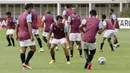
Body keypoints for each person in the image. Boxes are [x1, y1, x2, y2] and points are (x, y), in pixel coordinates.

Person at [16, 3, 36, 69]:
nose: (32, 10)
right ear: (29, 8)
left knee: (23, 50)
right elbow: (29, 26)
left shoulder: (20, 16)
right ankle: (26, 63)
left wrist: (16, 35)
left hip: (21, 35)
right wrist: (31, 35)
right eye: (31, 8)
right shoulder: (28, 15)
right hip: (27, 35)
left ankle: (23, 65)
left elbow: (17, 26)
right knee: (33, 48)